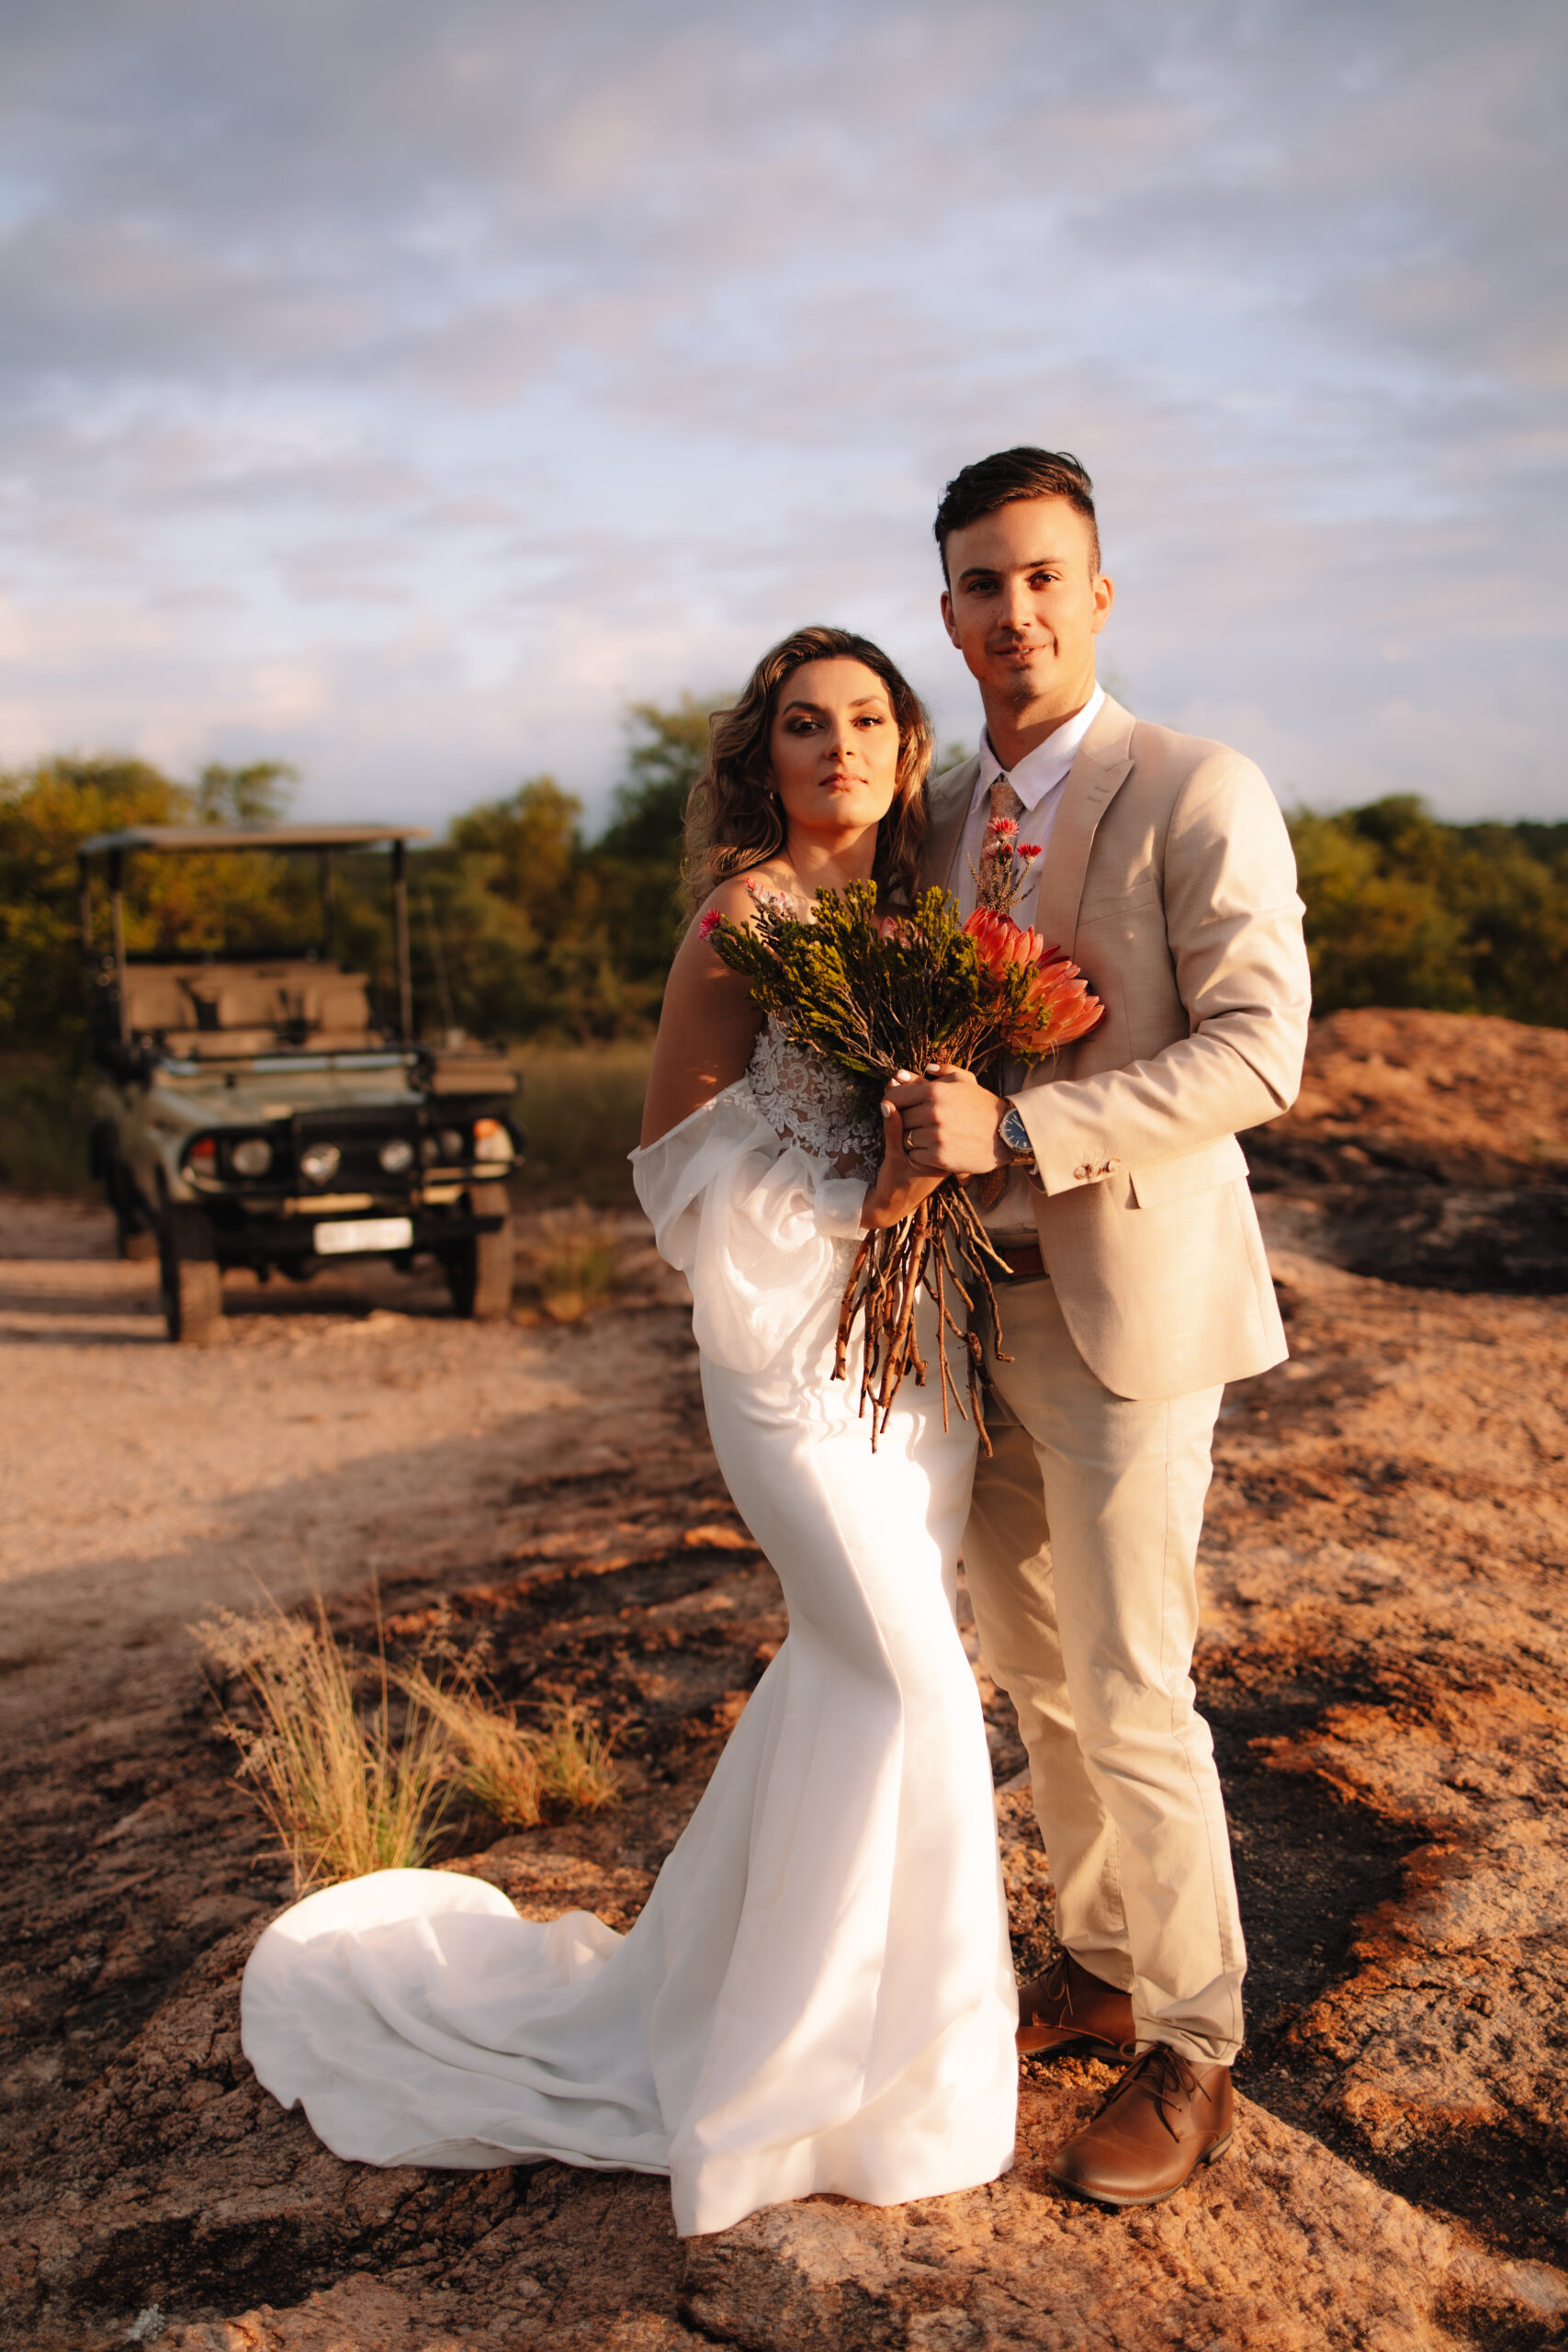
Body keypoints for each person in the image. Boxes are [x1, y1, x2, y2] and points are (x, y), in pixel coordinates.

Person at [240, 625, 1018, 2241]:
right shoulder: (741, 923)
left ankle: (782, 2010)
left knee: (845, 1681)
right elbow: (673, 1178)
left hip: (912, 1363)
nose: (839, 748)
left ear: (906, 748)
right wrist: (861, 1194)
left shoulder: (920, 919)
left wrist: (934, 1183)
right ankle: (829, 2083)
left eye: (868, 719)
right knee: (908, 1675)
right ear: (765, 755)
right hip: (788, 1354)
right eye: (805, 724)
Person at [888, 448, 1311, 2208]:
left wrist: (1032, 1130)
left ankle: (1197, 2042)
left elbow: (1260, 1050)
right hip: (963, 1313)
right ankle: (1095, 1957)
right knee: (1038, 1673)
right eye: (983, 586)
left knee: (1139, 1683)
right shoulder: (928, 823)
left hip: (1129, 1303)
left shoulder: (1200, 789)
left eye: (1045, 578)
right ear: (950, 614)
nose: (1015, 614)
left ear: (1100, 595)